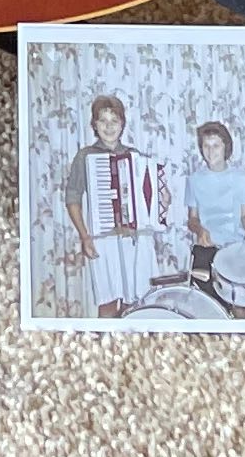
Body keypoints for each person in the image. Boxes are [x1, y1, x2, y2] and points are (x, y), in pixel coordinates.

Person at [62, 93, 172, 319]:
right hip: (104, 239)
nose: (109, 126)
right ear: (94, 125)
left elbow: (157, 198)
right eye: (103, 121)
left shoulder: (136, 156)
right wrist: (85, 237)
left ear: (122, 124)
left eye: (114, 121)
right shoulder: (85, 156)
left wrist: (163, 198)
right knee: (108, 303)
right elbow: (72, 198)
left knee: (141, 303)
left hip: (137, 239)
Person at [185, 118, 245, 285]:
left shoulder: (240, 177)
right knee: (203, 297)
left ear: (226, 147)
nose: (210, 151)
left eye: (216, 146)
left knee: (239, 295)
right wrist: (200, 230)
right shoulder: (194, 180)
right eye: (206, 146)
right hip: (207, 247)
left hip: (236, 248)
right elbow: (192, 220)